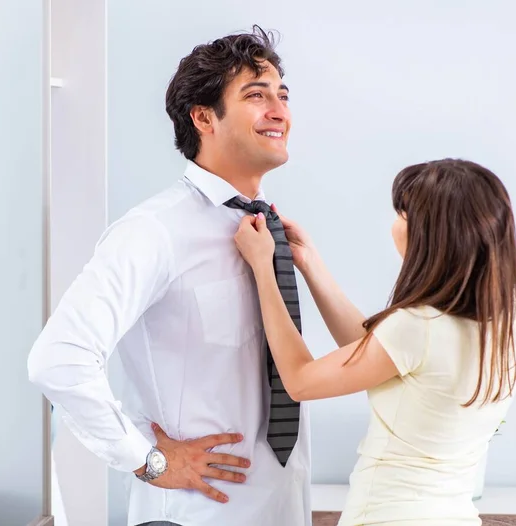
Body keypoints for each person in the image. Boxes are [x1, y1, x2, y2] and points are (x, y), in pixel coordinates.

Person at [28, 26, 312, 526]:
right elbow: (58, 358)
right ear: (203, 117)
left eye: (282, 96)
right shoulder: (154, 230)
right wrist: (146, 460)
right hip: (192, 514)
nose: (278, 111)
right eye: (255, 95)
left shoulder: (268, 230)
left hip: (281, 507)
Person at [234, 158, 516, 526]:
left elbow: (299, 380)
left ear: (428, 234)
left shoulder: (416, 326)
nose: (395, 224)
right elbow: (377, 353)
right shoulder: (508, 326)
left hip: (387, 516)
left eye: (402, 214)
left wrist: (263, 269)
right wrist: (309, 264)